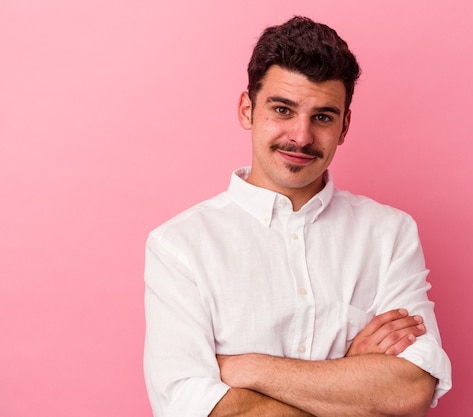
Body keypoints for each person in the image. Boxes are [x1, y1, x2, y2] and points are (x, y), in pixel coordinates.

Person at [144, 16, 452, 417]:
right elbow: (186, 405)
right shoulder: (180, 245)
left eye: (323, 116)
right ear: (247, 110)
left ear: (344, 126)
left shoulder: (389, 234)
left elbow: (410, 389)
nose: (302, 136)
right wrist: (351, 378)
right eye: (283, 109)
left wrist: (245, 369)